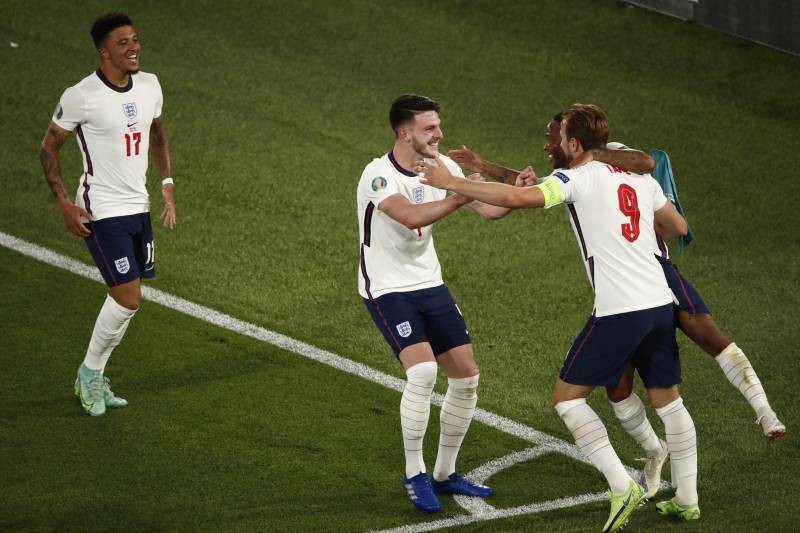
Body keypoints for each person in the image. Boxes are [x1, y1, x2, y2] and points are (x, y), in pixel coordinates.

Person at [418, 103, 698, 531]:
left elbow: (520, 198)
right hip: (660, 302)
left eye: (559, 137)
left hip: (620, 309)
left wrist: (451, 182)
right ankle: (688, 499)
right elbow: (676, 226)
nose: (551, 145)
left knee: (567, 399)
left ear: (575, 144)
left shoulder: (577, 179)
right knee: (668, 399)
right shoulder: (635, 175)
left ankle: (622, 486)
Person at [452, 114, 785, 441]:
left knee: (704, 337)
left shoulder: (606, 158)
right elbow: (534, 187)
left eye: (552, 138)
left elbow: (646, 164)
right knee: (620, 385)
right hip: (625, 285)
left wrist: (634, 223)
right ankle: (656, 453)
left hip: (650, 269)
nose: (547, 146)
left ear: (572, 141)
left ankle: (764, 410)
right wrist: (482, 165)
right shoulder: (574, 174)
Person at [357, 94, 509, 513]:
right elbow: (410, 216)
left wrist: (516, 191)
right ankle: (414, 473)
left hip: (429, 283)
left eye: (438, 125)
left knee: (466, 378)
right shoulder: (378, 175)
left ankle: (445, 473)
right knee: (423, 372)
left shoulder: (443, 168)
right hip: (387, 287)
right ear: (404, 133)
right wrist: (457, 194)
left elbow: (490, 211)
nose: (439, 134)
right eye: (430, 128)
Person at [39, 13, 176, 417]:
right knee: (128, 298)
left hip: (139, 208)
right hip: (101, 209)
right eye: (123, 43)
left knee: (125, 301)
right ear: (104, 52)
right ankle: (89, 374)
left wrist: (167, 183)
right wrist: (64, 202)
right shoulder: (81, 95)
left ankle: (94, 373)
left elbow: (156, 133)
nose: (133, 48)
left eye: (135, 39)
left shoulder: (150, 85)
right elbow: (48, 148)